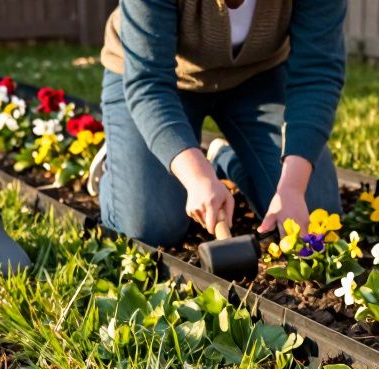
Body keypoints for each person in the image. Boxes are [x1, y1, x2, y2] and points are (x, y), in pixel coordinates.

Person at [90, 0, 347, 248]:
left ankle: (228, 159)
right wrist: (197, 177)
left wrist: (292, 187)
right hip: (160, 82)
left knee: (313, 212)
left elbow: (317, 73)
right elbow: (149, 84)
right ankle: (124, 160)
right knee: (150, 226)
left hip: (257, 76)